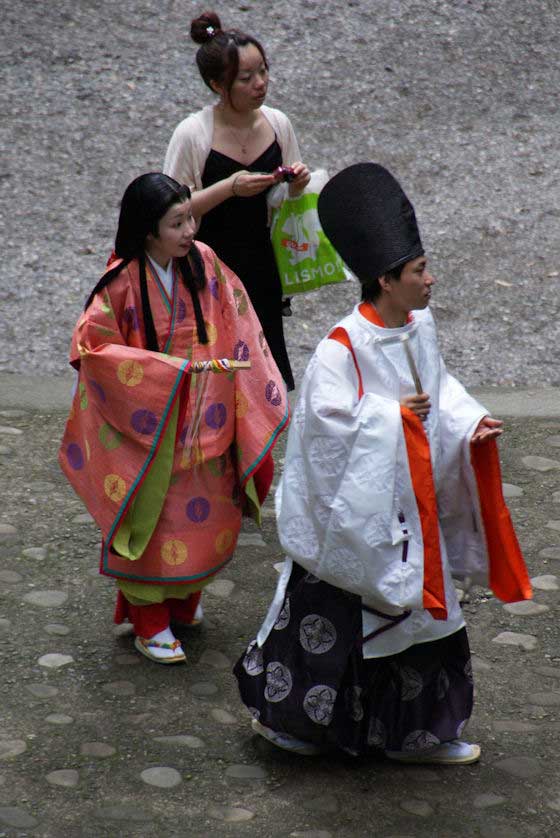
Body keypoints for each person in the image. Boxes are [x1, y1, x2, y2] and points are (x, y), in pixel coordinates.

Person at [234, 163, 531, 762]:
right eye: (420, 270)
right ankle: (299, 725)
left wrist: (468, 421)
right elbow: (323, 430)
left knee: (422, 623)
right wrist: (390, 418)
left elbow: (439, 391)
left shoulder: (420, 326)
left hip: (413, 506)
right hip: (356, 517)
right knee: (337, 621)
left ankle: (415, 734)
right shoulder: (340, 349)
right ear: (385, 279)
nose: (430, 280)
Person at [59, 173, 289, 664]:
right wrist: (161, 374)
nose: (189, 231)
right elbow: (93, 347)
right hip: (150, 429)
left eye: (190, 219)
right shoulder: (121, 282)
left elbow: (238, 317)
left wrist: (237, 380)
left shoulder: (203, 262)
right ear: (147, 231)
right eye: (176, 223)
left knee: (209, 517)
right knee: (153, 525)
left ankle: (184, 603)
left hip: (210, 416)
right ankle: (150, 622)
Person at [163, 10, 311, 392]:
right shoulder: (193, 134)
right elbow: (170, 210)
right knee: (216, 375)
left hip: (263, 263)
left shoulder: (278, 124)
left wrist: (296, 185)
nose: (260, 83)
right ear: (217, 84)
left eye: (263, 71)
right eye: (246, 78)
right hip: (207, 267)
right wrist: (229, 188)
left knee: (262, 375)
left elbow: (286, 203)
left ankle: (258, 451)